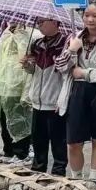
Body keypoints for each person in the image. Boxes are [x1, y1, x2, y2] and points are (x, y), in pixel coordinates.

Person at [57, 0, 96, 181]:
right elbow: (60, 66)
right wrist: (71, 50)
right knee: (73, 141)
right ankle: (76, 178)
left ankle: (94, 180)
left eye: (95, 16)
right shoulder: (73, 38)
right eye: (86, 15)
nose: (90, 20)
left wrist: (85, 73)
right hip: (76, 92)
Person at [22, 17, 68, 176]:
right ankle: (38, 169)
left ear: (55, 22)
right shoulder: (37, 43)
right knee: (38, 139)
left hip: (55, 101)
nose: (39, 24)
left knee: (58, 140)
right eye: (38, 21)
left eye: (42, 21)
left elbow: (67, 71)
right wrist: (27, 65)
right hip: (37, 100)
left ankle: (58, 171)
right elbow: (32, 70)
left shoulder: (65, 44)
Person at [0, 18, 33, 163]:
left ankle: (21, 153)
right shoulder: (6, 33)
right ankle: (8, 149)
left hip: (17, 81)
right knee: (3, 117)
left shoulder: (27, 34)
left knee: (19, 118)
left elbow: (26, 59)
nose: (11, 20)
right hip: (2, 81)